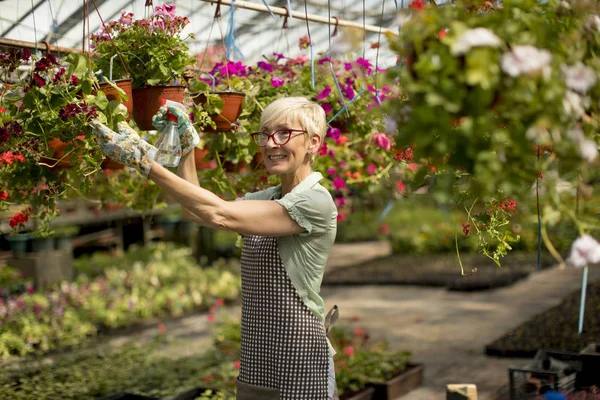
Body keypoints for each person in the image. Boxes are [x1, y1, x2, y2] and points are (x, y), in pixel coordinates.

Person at [91, 97, 339, 400]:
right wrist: (187, 150)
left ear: (313, 142)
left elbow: (219, 214)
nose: (272, 144)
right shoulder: (269, 197)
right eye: (265, 134)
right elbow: (196, 212)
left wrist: (146, 163)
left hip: (299, 350)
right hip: (258, 351)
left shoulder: (315, 201)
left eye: (284, 133)